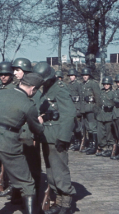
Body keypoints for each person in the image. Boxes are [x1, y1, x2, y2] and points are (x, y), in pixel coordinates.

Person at [0, 73, 44, 214]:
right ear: (33, 88)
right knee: (27, 183)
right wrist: (40, 123)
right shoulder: (28, 104)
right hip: (8, 144)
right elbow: (36, 129)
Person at [34, 62, 76, 214]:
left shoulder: (60, 89)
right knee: (51, 172)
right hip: (47, 136)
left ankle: (66, 204)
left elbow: (69, 114)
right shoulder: (46, 89)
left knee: (60, 171)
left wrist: (64, 138)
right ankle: (58, 201)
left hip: (57, 136)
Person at [9, 58, 42, 203]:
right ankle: (17, 194)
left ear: (26, 72)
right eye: (14, 70)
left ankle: (32, 198)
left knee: (32, 167)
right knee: (16, 165)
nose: (14, 73)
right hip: (15, 134)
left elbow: (37, 115)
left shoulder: (36, 92)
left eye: (18, 70)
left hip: (29, 135)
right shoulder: (14, 89)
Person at [79, 67, 100, 154]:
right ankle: (91, 145)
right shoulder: (82, 84)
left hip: (91, 108)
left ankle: (95, 146)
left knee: (93, 128)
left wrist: (96, 108)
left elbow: (98, 97)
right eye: (83, 75)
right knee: (88, 128)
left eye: (86, 75)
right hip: (85, 109)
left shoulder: (93, 84)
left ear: (89, 76)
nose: (85, 77)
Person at [94, 76, 116, 157]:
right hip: (100, 115)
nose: (106, 85)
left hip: (109, 115)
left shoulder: (113, 93)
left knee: (109, 133)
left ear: (110, 84)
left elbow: (115, 104)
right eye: (104, 84)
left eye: (108, 84)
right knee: (100, 133)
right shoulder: (101, 92)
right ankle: (102, 147)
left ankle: (110, 149)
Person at [66, 69, 82, 152]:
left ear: (75, 76)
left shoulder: (78, 84)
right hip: (71, 107)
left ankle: (79, 142)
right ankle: (75, 142)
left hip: (77, 107)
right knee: (72, 127)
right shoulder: (69, 85)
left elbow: (81, 96)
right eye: (70, 76)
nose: (71, 77)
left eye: (72, 76)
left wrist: (80, 108)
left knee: (77, 127)